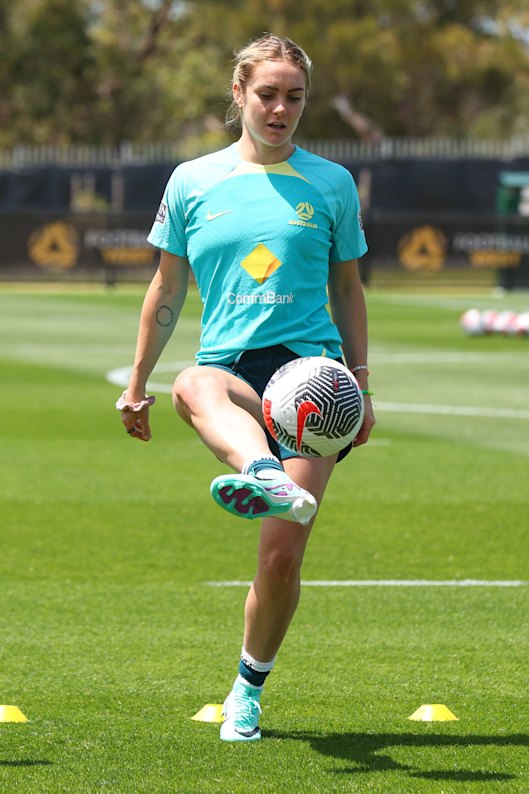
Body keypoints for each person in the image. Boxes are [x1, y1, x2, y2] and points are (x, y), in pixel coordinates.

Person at [116, 33, 375, 742]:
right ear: (238, 94)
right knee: (189, 382)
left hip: (314, 379)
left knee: (281, 558)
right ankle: (261, 469)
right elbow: (167, 287)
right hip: (230, 369)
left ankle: (247, 689)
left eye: (294, 96)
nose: (280, 109)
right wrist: (135, 383)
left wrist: (361, 384)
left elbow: (348, 289)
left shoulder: (331, 184)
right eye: (267, 94)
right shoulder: (191, 181)